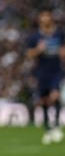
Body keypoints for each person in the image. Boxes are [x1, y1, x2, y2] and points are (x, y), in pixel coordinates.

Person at [27, 9, 65, 145]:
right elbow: (29, 54)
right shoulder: (34, 37)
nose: (45, 18)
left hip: (56, 70)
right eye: (42, 16)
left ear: (51, 18)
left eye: (47, 16)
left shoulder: (59, 34)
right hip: (42, 72)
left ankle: (56, 125)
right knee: (44, 100)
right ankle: (48, 128)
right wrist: (38, 49)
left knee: (55, 95)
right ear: (39, 19)